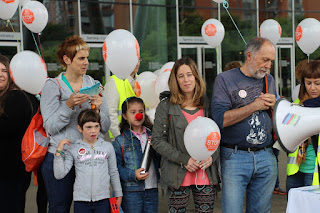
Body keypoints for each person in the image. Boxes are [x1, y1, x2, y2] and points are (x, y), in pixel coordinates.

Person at [40, 35, 110, 212]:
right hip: (60, 156)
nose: (86, 62)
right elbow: (50, 127)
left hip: (88, 158)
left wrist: (99, 110)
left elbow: (106, 127)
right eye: (81, 58)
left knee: (88, 207)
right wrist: (69, 105)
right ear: (67, 60)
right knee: (59, 208)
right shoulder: (52, 85)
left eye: (87, 57)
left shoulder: (95, 85)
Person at [211, 37, 278, 213]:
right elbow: (220, 119)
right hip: (235, 156)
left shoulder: (269, 80)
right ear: (249, 55)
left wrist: (276, 105)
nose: (268, 65)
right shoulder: (225, 80)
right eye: (265, 60)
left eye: (271, 61)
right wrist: (254, 106)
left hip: (266, 155)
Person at [151, 57, 220, 212]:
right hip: (176, 175)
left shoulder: (207, 104)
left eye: (189, 75)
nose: (186, 80)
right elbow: (157, 140)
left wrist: (212, 156)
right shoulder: (166, 106)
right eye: (180, 76)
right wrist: (184, 159)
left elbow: (218, 136)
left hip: (205, 173)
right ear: (175, 80)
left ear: (196, 76)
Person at [53, 109, 122, 213]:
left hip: (103, 200)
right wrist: (58, 152)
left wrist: (118, 194)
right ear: (80, 128)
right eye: (88, 127)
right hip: (81, 201)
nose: (93, 131)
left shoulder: (107, 147)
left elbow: (113, 172)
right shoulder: (73, 149)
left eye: (96, 126)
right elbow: (59, 174)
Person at [0, 54, 39, 213]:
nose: (0, 75)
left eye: (3, 71)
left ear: (10, 75)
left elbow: (8, 128)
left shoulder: (16, 97)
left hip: (11, 171)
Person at [113, 97, 160, 212]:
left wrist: (158, 146)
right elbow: (116, 168)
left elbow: (160, 161)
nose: (138, 115)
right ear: (124, 116)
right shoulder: (120, 141)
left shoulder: (153, 136)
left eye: (141, 112)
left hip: (152, 189)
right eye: (133, 112)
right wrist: (133, 174)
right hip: (131, 192)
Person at [286, 60, 320, 193]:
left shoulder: (300, 106)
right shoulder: (297, 104)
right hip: (296, 169)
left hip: (315, 170)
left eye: (317, 83)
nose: (312, 88)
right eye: (308, 83)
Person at [104, 60, 140, 140]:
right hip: (121, 138)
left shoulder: (142, 80)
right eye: (133, 59)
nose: (137, 63)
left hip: (141, 137)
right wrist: (120, 137)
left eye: (139, 59)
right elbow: (110, 113)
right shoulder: (114, 81)